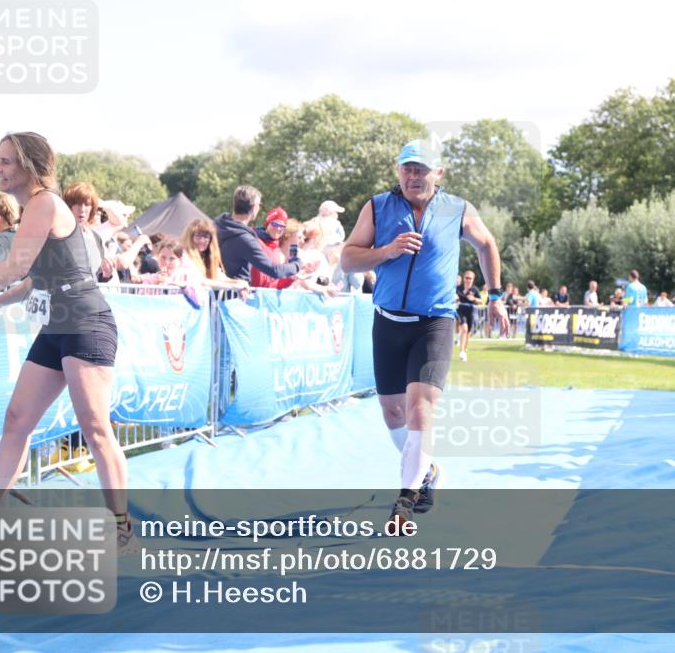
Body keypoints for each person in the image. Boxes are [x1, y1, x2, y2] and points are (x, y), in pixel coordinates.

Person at [0, 132, 133, 550]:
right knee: (16, 422)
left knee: (96, 430)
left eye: (6, 161)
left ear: (30, 166)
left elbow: (15, 265)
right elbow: (34, 279)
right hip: (56, 328)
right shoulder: (37, 208)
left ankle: (122, 530)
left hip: (87, 324)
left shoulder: (45, 203)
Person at [340, 139, 509, 531]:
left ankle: (406, 499)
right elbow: (348, 257)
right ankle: (427, 470)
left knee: (420, 407)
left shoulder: (458, 209)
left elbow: (487, 244)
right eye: (407, 169)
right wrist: (386, 251)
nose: (414, 176)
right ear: (398, 171)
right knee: (393, 413)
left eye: (421, 169)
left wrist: (495, 295)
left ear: (438, 173)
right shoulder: (377, 206)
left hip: (433, 323)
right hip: (387, 323)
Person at [215, 185, 307, 284]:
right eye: (259, 205)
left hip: (214, 292)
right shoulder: (246, 239)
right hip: (236, 294)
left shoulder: (217, 224)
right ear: (254, 207)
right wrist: (297, 264)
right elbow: (274, 270)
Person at [182, 217, 250, 292]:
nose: (202, 240)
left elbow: (220, 278)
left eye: (206, 236)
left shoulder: (206, 258)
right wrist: (234, 286)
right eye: (198, 236)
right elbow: (201, 281)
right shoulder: (184, 256)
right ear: (190, 237)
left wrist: (241, 283)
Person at [249, 207, 291, 289]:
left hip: (266, 296)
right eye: (275, 224)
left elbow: (274, 284)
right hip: (249, 294)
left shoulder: (277, 248)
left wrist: (291, 277)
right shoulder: (252, 239)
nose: (278, 228)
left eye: (282, 226)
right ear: (268, 223)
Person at [455, 270, 480, 362]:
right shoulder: (458, 288)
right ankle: (461, 351)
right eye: (466, 278)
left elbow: (481, 301)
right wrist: (455, 298)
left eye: (470, 278)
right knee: (464, 329)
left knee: (468, 332)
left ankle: (464, 351)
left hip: (471, 311)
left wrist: (474, 299)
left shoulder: (475, 289)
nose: (468, 280)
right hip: (461, 309)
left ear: (473, 279)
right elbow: (453, 296)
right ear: (464, 278)